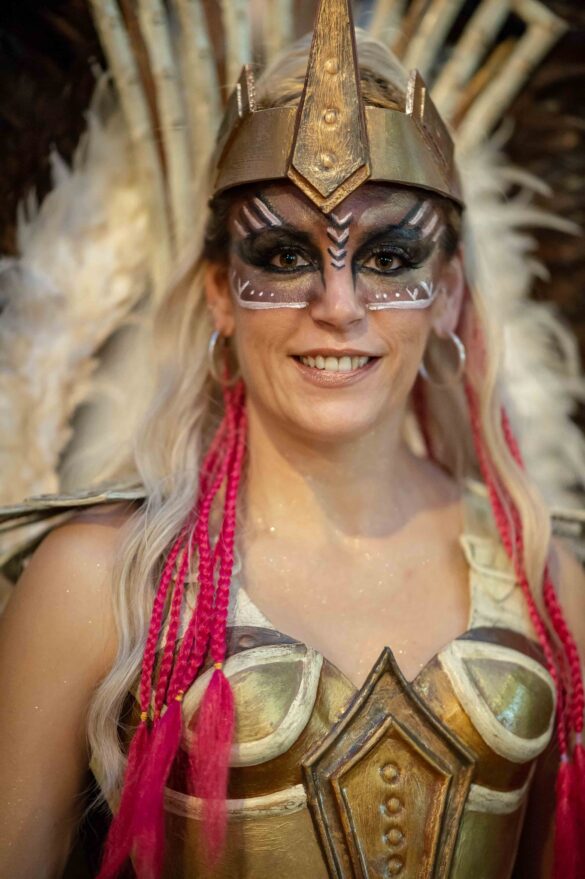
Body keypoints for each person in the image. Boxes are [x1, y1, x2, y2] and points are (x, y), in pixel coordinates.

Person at [0, 1, 584, 877]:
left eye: (388, 257)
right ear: (219, 293)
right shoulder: (100, 582)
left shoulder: (545, 581)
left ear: (449, 293)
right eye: (283, 256)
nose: (337, 305)